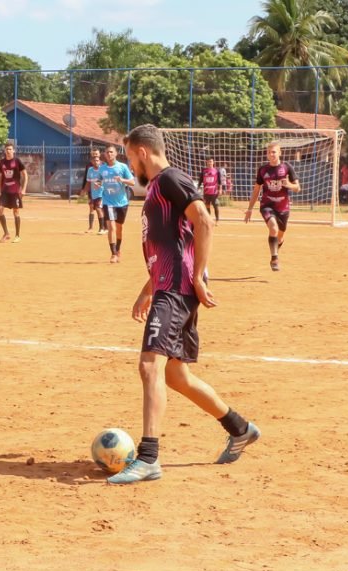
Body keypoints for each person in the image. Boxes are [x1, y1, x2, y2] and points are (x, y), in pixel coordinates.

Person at [105, 123, 260, 485]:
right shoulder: (159, 187)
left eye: (130, 158)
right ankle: (240, 428)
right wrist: (148, 288)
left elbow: (204, 221)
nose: (131, 167)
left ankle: (148, 458)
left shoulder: (171, 179)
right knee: (176, 376)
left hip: (177, 289)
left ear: (143, 152)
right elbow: (172, 245)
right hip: (167, 286)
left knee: (149, 366)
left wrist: (198, 276)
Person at [244, 141, 301, 272]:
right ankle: (274, 258)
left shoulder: (287, 168)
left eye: (274, 152)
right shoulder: (263, 170)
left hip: (283, 208)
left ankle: (275, 248)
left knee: (280, 236)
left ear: (280, 153)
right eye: (269, 152)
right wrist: (250, 209)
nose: (271, 154)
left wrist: (289, 185)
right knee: (273, 228)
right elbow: (256, 190)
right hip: (267, 205)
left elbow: (298, 188)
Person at [98, 144, 135, 263]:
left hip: (122, 202)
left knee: (119, 228)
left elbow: (132, 182)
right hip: (108, 202)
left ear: (116, 153)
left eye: (111, 152)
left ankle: (118, 250)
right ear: (104, 154)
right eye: (107, 152)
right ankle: (113, 253)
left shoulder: (122, 167)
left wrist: (122, 180)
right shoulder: (102, 168)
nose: (109, 154)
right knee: (111, 227)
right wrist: (99, 183)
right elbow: (99, 180)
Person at [0, 143, 28, 243]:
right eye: (7, 149)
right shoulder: (2, 162)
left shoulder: (17, 161)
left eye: (10, 149)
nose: (8, 151)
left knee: (16, 211)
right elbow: (1, 177)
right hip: (5, 190)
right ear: (5, 151)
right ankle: (6, 233)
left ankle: (17, 235)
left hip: (15, 191)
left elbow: (25, 175)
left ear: (13, 151)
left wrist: (23, 189)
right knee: (0, 209)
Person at [79, 149, 107, 234]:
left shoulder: (104, 167)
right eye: (94, 156)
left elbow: (107, 179)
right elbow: (87, 181)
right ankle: (91, 227)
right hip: (92, 192)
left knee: (99, 209)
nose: (96, 160)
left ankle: (102, 228)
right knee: (91, 207)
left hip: (102, 193)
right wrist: (84, 190)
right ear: (92, 159)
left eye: (97, 156)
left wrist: (100, 183)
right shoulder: (89, 168)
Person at [199, 157, 222, 225]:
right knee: (207, 206)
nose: (210, 163)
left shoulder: (216, 171)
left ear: (213, 162)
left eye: (211, 161)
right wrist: (198, 188)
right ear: (206, 162)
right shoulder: (204, 171)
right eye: (208, 161)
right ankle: (209, 220)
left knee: (215, 205)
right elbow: (200, 180)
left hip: (214, 192)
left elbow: (219, 181)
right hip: (206, 192)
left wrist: (220, 189)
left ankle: (217, 220)